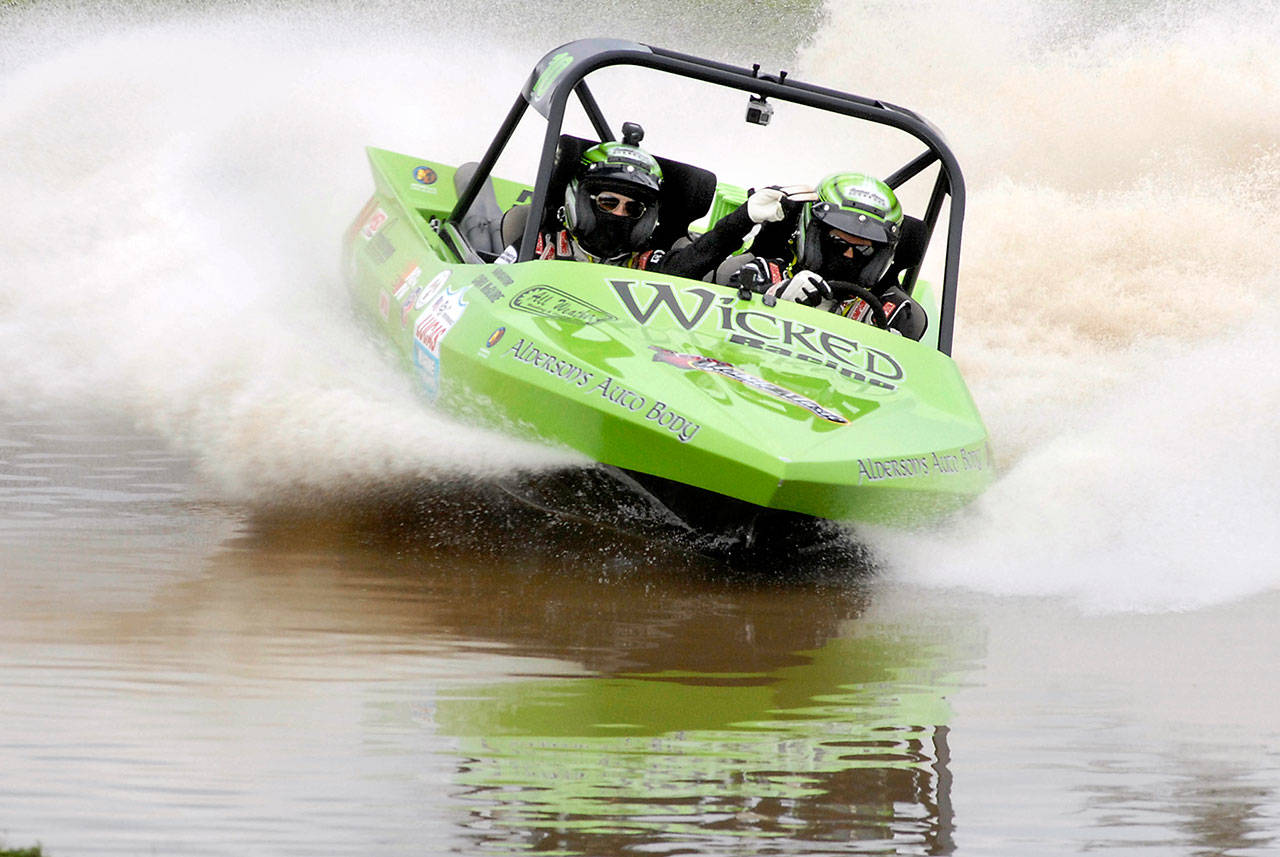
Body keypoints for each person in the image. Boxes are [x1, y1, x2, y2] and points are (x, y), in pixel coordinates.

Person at [500, 127, 814, 278]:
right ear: (578, 201)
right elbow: (488, 287)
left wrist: (744, 217)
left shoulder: (648, 262)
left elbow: (700, 255)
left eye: (633, 208)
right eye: (608, 202)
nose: (620, 213)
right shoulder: (539, 244)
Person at [725, 172, 928, 339]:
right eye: (838, 242)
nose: (849, 255)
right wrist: (771, 296)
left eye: (863, 249)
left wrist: (883, 342)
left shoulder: (896, 312)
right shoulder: (764, 272)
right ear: (813, 236)